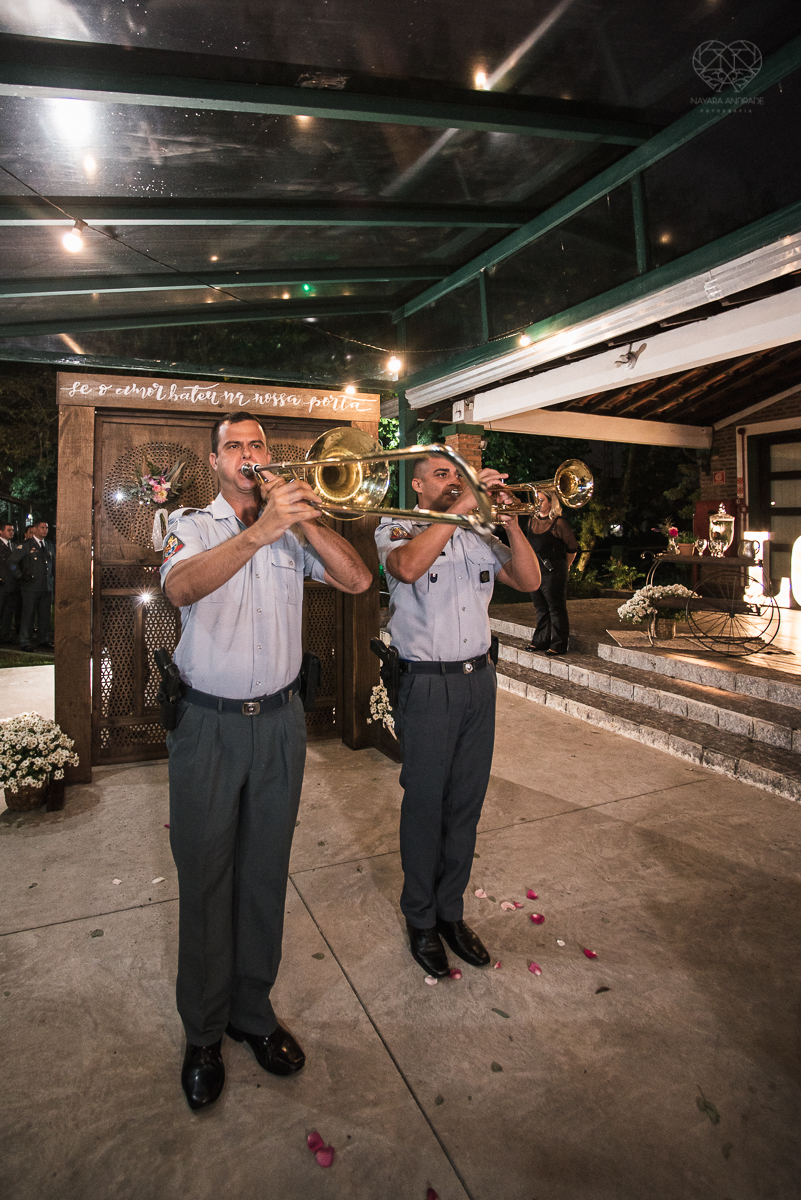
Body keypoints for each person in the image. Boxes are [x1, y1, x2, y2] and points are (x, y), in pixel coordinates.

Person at [160, 413, 372, 1111]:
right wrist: (259, 531)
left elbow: (357, 580)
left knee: (263, 874)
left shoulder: (292, 526)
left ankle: (252, 1012)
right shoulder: (192, 524)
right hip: (209, 728)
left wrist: (305, 521)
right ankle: (203, 1031)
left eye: (256, 445)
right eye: (234, 446)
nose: (248, 455)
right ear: (214, 461)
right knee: (206, 878)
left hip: (280, 723)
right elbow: (180, 590)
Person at [375, 455, 540, 978]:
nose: (453, 481)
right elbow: (406, 568)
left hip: (478, 681)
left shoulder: (477, 531)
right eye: (442, 474)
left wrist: (511, 524)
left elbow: (528, 580)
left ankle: (450, 912)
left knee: (465, 805)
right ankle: (420, 918)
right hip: (427, 682)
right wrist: (463, 505)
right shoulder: (397, 524)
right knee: (426, 805)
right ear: (418, 485)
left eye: (459, 475)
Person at [524, 490, 578, 656]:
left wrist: (565, 565)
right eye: (536, 500)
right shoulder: (532, 521)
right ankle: (540, 641)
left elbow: (572, 547)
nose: (538, 503)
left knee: (556, 608)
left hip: (553, 571)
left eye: (541, 500)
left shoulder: (558, 523)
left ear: (550, 502)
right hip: (535, 571)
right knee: (541, 607)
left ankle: (559, 644)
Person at [13, 518, 55, 650]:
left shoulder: (49, 545)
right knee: (28, 614)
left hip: (46, 586)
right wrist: (20, 576)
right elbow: (12, 563)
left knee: (44, 615)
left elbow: (53, 565)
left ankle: (43, 639)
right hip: (31, 587)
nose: (45, 530)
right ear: (35, 529)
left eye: (46, 528)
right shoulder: (26, 545)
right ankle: (24, 640)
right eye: (42, 527)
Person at [0, 522, 21, 645]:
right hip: (2, 584)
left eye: (12, 530)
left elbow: (14, 565)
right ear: (1, 531)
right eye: (9, 530)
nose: (12, 532)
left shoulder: (14, 546)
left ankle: (5, 635)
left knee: (8, 612)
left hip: (12, 584)